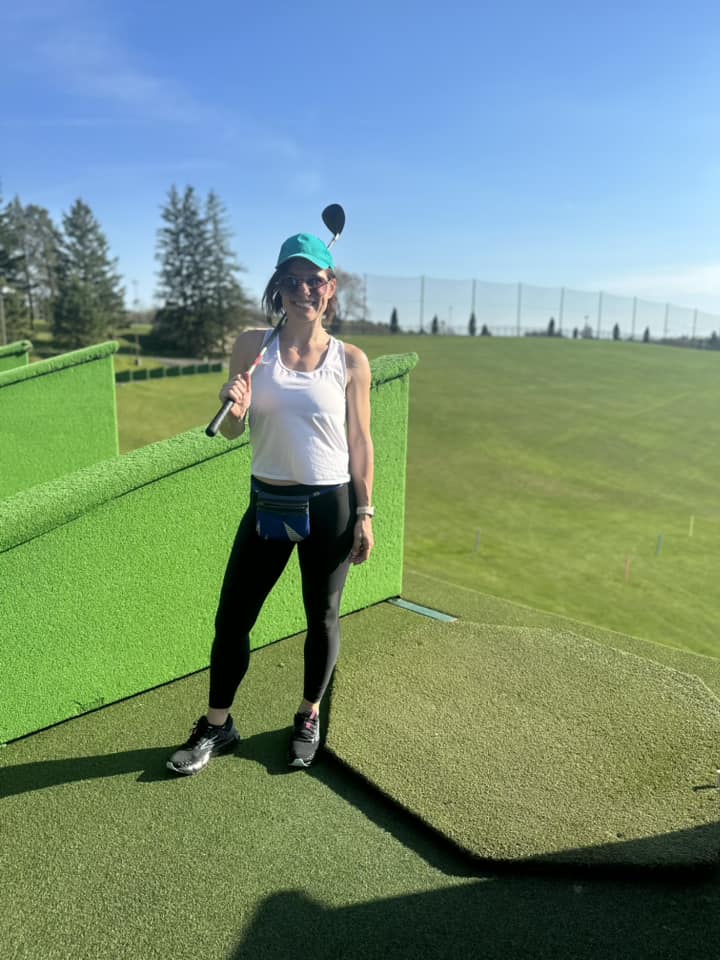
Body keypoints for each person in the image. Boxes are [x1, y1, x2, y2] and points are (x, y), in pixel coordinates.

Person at [167, 232, 374, 775]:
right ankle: (218, 724)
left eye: (315, 280)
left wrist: (366, 512)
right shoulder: (252, 347)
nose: (304, 289)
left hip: (332, 503)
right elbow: (235, 432)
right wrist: (233, 407)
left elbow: (360, 442)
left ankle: (308, 714)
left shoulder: (350, 360)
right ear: (278, 287)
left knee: (321, 616)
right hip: (269, 502)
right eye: (292, 279)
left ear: (330, 289)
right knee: (233, 618)